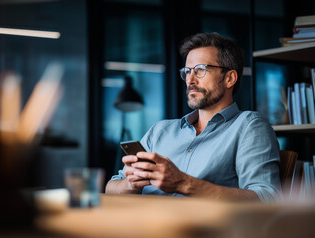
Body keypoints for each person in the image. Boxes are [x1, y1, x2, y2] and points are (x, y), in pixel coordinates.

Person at [105, 32, 281, 203]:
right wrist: (131, 183)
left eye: (200, 70)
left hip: (198, 231)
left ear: (229, 78)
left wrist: (182, 183)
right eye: (187, 71)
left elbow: (267, 199)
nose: (190, 80)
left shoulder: (249, 126)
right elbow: (111, 188)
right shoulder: (160, 130)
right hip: (141, 226)